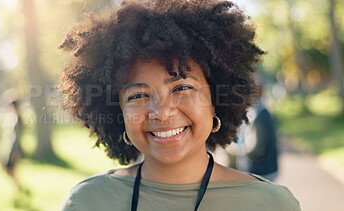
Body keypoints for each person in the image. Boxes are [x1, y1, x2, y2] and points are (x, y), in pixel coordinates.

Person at [59, 0, 301, 210]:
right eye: (138, 96)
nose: (162, 112)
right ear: (118, 110)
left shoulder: (270, 205)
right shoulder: (87, 203)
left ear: (216, 99)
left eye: (182, 88)